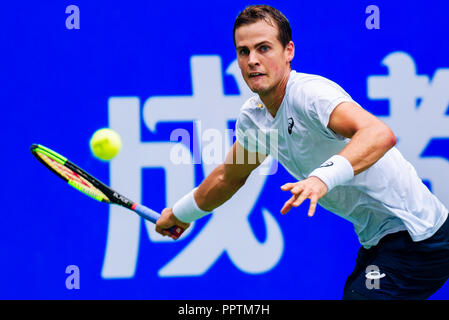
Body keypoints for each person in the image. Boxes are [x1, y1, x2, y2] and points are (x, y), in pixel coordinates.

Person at [155, 5, 449, 300]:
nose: (253, 60)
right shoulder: (254, 118)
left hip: (420, 237)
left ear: (288, 51)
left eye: (264, 48)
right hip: (379, 243)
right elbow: (227, 178)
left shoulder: (310, 95)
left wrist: (321, 179)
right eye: (243, 52)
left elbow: (379, 134)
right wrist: (179, 213)